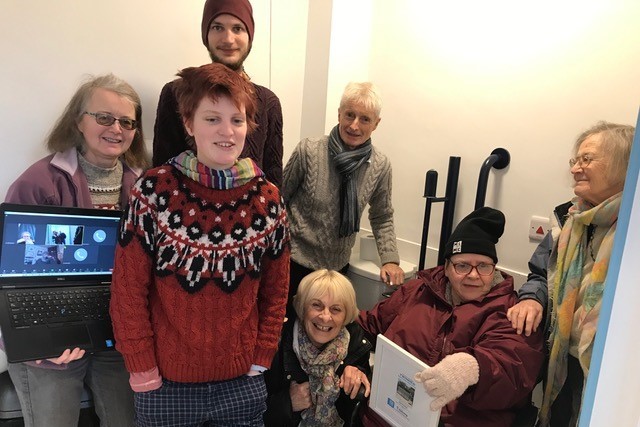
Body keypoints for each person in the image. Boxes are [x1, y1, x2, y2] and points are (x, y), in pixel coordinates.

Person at [110, 62, 290, 427]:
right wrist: (141, 365)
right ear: (189, 124)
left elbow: (276, 291)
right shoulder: (153, 191)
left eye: (237, 120)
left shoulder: (268, 199)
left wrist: (263, 354)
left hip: (242, 383)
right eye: (212, 119)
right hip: (164, 385)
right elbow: (128, 290)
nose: (227, 132)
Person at [3, 73, 147, 427]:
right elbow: (9, 275)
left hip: (117, 327)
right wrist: (31, 341)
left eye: (127, 121)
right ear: (78, 121)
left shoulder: (144, 185)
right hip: (52, 330)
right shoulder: (38, 183)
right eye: (104, 117)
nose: (117, 128)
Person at [358, 207, 545, 427]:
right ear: (446, 268)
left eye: (483, 266)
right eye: (462, 265)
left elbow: (513, 370)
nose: (473, 275)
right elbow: (368, 325)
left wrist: (473, 368)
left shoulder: (512, 311)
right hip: (388, 414)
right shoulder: (417, 292)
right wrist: (353, 362)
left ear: (494, 269)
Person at [506, 122, 635, 426]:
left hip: (612, 370)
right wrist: (532, 299)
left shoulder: (633, 231)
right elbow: (539, 274)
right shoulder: (569, 221)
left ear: (625, 164)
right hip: (563, 357)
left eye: (587, 159)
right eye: (574, 161)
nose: (576, 169)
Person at [283, 81, 404, 318]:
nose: (354, 125)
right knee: (286, 331)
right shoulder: (309, 150)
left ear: (376, 124)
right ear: (339, 114)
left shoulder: (380, 166)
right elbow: (278, 198)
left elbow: (382, 216)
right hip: (294, 262)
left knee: (324, 329)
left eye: (365, 119)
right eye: (349, 115)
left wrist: (390, 259)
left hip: (337, 267)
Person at [152, 0, 284, 187]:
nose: (228, 39)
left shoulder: (268, 102)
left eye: (238, 28)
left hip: (251, 212)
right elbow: (161, 172)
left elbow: (274, 181)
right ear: (206, 34)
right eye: (217, 27)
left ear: (250, 36)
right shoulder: (175, 93)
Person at [264, 269, 372, 426]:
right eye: (317, 305)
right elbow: (245, 413)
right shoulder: (274, 345)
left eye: (336, 309)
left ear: (346, 315)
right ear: (302, 308)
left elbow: (361, 402)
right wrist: (287, 403)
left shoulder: (354, 342)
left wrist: (358, 372)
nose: (325, 317)